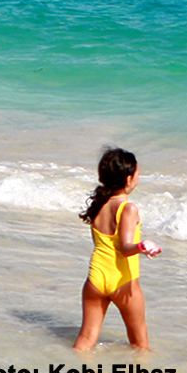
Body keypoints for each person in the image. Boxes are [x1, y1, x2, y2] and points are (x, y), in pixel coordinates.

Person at [74, 147, 162, 351]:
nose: (139, 177)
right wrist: (142, 246)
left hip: (96, 278)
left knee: (85, 340)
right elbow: (125, 248)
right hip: (122, 281)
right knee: (140, 344)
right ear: (128, 179)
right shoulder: (128, 208)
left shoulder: (99, 205)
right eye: (138, 173)